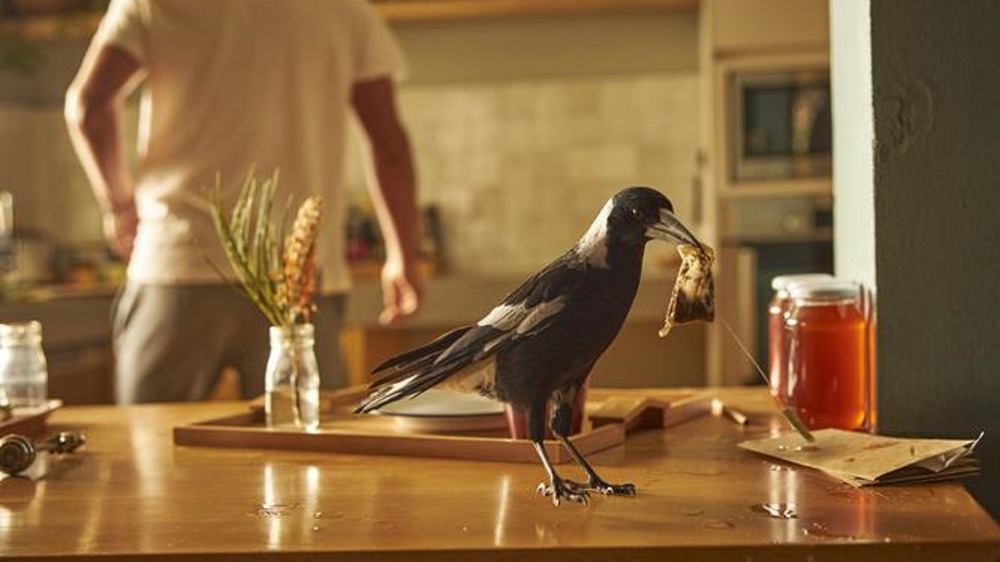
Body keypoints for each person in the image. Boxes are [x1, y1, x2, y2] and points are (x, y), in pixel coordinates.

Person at [64, 0, 422, 403]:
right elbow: (389, 144)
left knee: (152, 450)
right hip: (297, 278)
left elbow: (89, 107)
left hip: (179, 262)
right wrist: (401, 255)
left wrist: (119, 205)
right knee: (309, 453)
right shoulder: (343, 9)